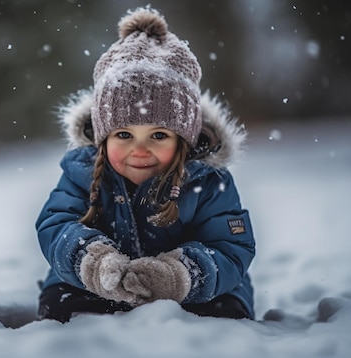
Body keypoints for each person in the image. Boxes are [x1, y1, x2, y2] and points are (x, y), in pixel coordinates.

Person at [35, 6, 255, 323]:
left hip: (196, 293)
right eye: (124, 134)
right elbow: (57, 225)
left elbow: (229, 246)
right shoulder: (81, 171)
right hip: (97, 287)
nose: (140, 150)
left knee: (225, 315)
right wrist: (94, 261)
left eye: (158, 135)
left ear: (184, 140)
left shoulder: (206, 180)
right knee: (61, 309)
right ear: (102, 137)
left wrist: (177, 276)